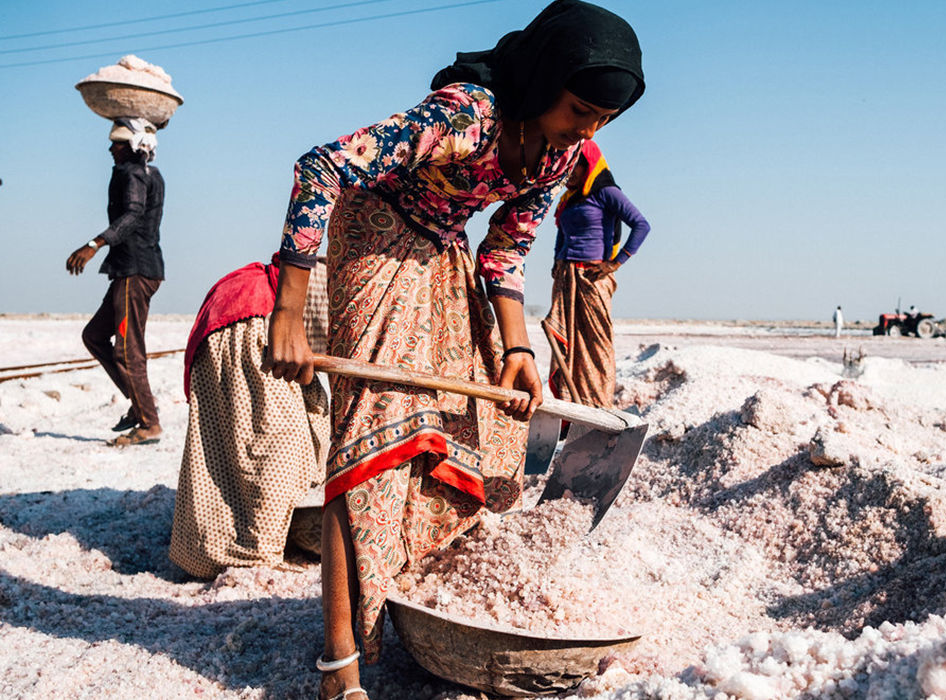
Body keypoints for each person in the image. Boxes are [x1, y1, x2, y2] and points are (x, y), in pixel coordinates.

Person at [261, 2, 644, 697]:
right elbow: (319, 168)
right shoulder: (464, 115)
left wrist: (519, 348)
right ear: (544, 80)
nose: (589, 130)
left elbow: (507, 249)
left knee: (485, 429)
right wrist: (290, 311)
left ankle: (415, 601)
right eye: (580, 109)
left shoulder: (560, 153)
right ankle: (340, 662)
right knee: (370, 434)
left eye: (604, 119)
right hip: (374, 239)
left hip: (443, 255)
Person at [169, 255, 330, 579]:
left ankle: (215, 544)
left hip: (238, 312)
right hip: (252, 324)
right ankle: (252, 553)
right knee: (273, 447)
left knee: (231, 451)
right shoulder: (369, 290)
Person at [65, 117, 165, 447]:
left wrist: (95, 244)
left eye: (118, 143)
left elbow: (133, 215)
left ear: (134, 146)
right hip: (132, 269)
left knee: (126, 350)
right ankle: (141, 405)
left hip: (134, 272)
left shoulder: (133, 173)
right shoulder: (151, 173)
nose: (111, 149)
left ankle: (149, 422)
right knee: (94, 335)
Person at [543, 139, 649, 408]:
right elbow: (561, 233)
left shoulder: (606, 193)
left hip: (593, 279)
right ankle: (572, 410)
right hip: (567, 278)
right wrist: (558, 260)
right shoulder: (569, 200)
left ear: (587, 164)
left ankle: (599, 405)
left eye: (572, 165)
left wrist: (615, 262)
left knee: (596, 346)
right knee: (569, 348)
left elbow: (641, 225)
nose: (567, 171)